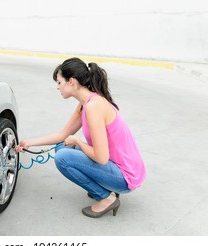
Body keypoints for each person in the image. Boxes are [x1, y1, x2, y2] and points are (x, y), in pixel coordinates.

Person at [15, 57, 146, 218]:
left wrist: (77, 141)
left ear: (71, 82)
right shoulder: (86, 103)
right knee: (61, 147)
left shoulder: (94, 107)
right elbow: (62, 135)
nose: (57, 87)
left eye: (59, 82)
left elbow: (101, 157)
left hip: (125, 177)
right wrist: (30, 143)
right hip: (117, 167)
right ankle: (106, 188)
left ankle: (106, 198)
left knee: (63, 157)